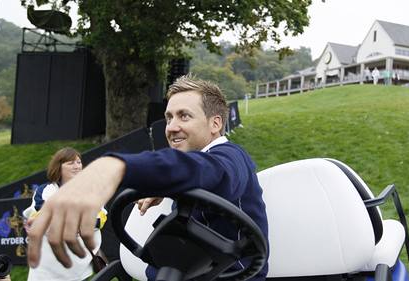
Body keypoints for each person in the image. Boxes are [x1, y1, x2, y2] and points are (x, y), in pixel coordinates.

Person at [27, 75, 269, 281]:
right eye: (169, 117)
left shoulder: (230, 156)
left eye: (184, 116)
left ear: (215, 123)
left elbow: (214, 173)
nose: (171, 127)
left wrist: (114, 167)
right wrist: (167, 188)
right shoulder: (195, 168)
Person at [23, 147, 107, 281]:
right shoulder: (45, 191)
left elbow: (101, 217)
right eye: (70, 163)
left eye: (79, 162)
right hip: (47, 263)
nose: (77, 166)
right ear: (58, 167)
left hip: (78, 262)